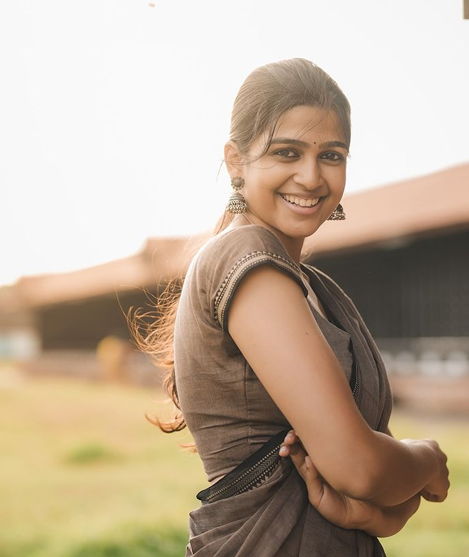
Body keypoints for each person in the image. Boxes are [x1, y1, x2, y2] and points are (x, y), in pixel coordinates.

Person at [135, 58, 449, 556]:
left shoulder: (316, 289)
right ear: (236, 161)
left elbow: (379, 489)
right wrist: (428, 458)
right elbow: (360, 465)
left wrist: (367, 512)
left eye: (332, 155)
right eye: (287, 152)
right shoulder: (246, 260)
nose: (311, 176)